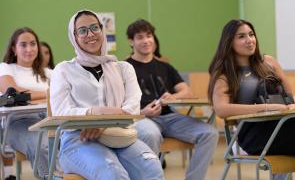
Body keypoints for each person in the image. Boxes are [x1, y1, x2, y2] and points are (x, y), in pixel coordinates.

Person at [208, 19, 295, 180]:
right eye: (241, 37)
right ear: (229, 42)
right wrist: (266, 108)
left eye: (251, 34)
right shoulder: (225, 74)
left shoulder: (268, 63)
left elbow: (292, 95)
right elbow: (221, 109)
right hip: (254, 134)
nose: (249, 40)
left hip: (283, 125)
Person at [50, 10, 163, 180]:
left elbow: (132, 106)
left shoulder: (123, 68)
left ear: (102, 30)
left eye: (94, 27)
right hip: (78, 139)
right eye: (82, 30)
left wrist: (105, 123)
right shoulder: (63, 70)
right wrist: (95, 113)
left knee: (152, 169)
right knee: (112, 173)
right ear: (73, 36)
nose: (90, 34)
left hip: (119, 136)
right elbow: (60, 111)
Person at [126, 19, 218, 180]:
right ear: (131, 42)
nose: (146, 41)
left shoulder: (165, 67)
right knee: (150, 134)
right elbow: (117, 103)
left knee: (209, 133)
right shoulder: (124, 68)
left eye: (149, 36)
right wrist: (143, 112)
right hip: (141, 117)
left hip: (169, 117)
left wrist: (172, 97)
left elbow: (186, 91)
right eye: (140, 37)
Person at [0, 27, 50, 178]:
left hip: (49, 120)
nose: (29, 49)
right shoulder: (5, 68)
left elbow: (62, 97)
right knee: (43, 145)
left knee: (76, 143)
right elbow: (13, 92)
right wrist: (48, 94)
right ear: (14, 49)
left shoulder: (49, 73)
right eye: (23, 45)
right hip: (16, 123)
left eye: (33, 44)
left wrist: (28, 96)